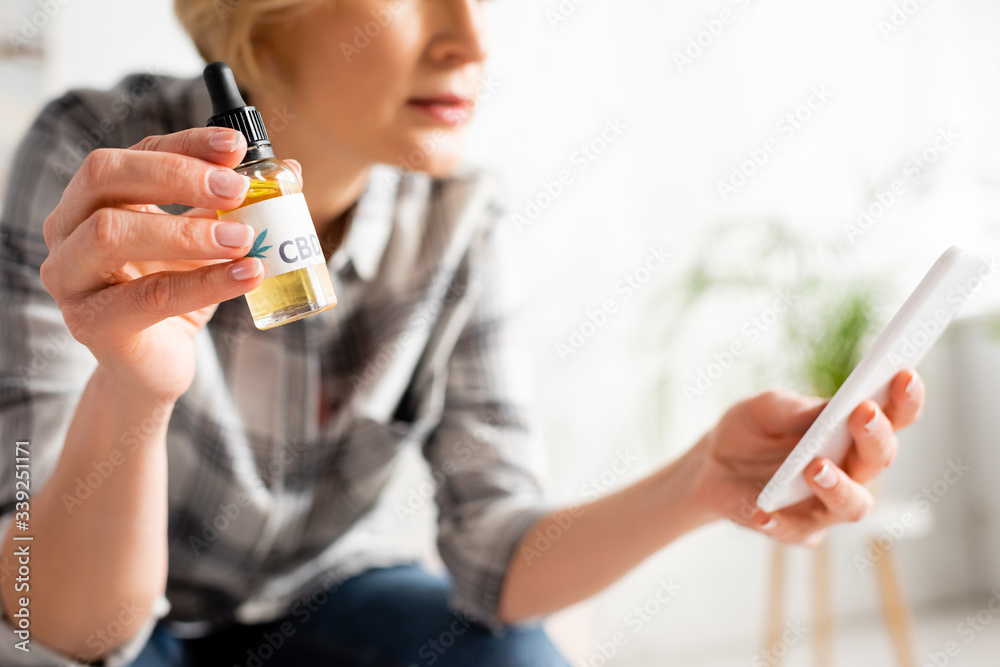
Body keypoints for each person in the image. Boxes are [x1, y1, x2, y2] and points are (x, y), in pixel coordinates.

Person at [0, 1, 926, 665]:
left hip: (318, 598)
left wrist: (699, 480)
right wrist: (136, 392)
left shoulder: (457, 218)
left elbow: (497, 557)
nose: (472, 37)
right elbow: (58, 611)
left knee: (513, 652)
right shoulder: (101, 169)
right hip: (113, 617)